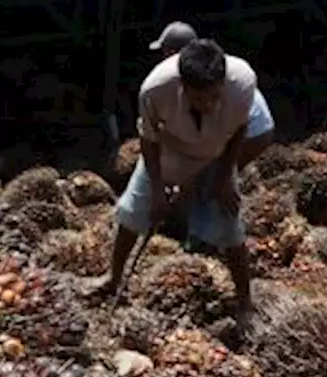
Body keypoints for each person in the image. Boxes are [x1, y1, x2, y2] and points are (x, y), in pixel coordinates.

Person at [93, 38, 257, 319]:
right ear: (182, 85)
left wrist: (226, 176)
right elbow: (148, 139)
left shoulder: (242, 83)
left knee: (231, 227)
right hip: (170, 151)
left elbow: (241, 130)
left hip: (216, 154)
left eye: (213, 97)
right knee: (132, 213)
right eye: (197, 98)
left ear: (223, 82)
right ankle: (113, 279)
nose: (207, 105)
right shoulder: (155, 90)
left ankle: (245, 302)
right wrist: (157, 189)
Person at [149, 21, 275, 169]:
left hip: (251, 133)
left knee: (207, 178)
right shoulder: (213, 66)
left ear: (172, 54)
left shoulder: (202, 81)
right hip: (259, 129)